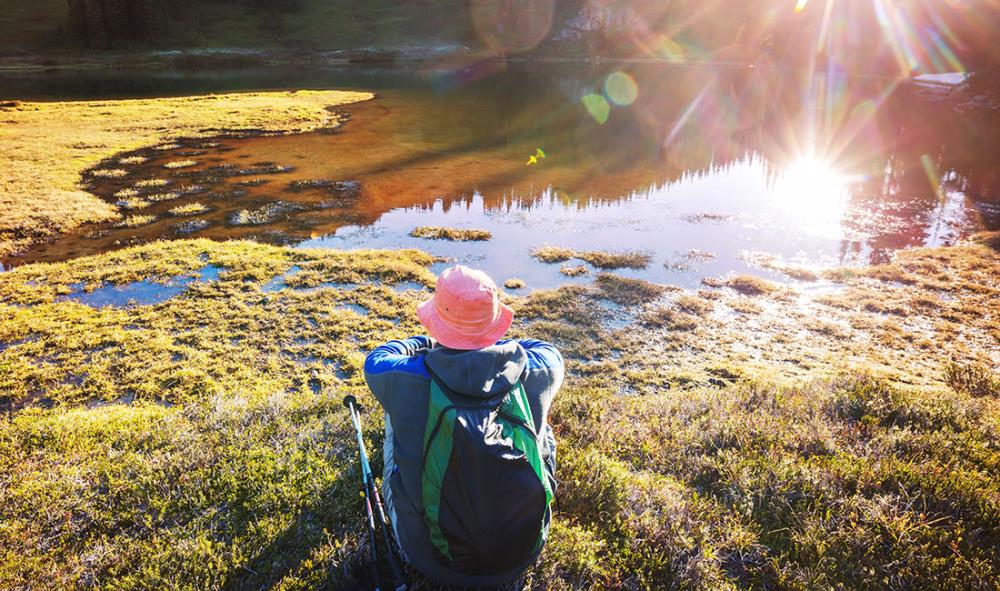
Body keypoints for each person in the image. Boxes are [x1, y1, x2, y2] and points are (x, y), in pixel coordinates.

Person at [364, 265, 563, 589]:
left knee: (394, 415)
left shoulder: (405, 378)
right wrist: (493, 339)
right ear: (497, 322)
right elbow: (548, 351)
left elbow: (377, 359)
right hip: (524, 551)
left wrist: (427, 342)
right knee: (542, 427)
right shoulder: (538, 370)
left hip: (427, 558)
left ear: (437, 323)